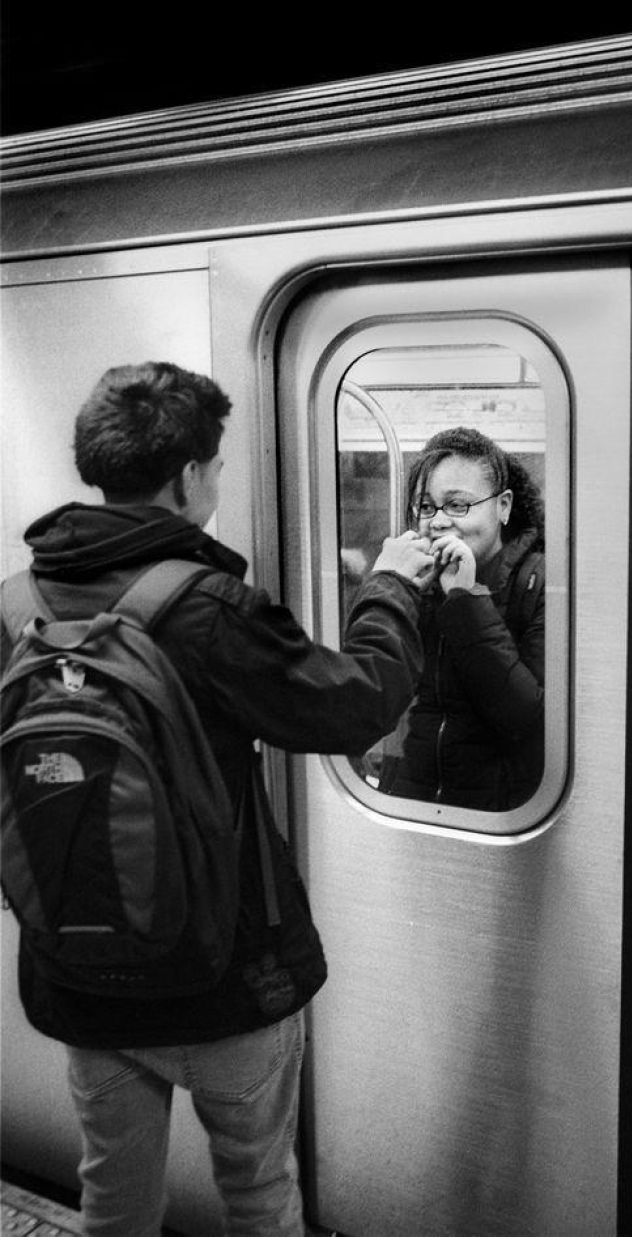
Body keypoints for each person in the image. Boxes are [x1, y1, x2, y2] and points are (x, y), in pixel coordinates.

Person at [0, 361, 434, 1237]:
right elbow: (358, 701)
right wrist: (390, 585)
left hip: (79, 974)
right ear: (190, 475)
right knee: (258, 1194)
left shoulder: (14, 608)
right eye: (219, 466)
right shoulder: (207, 608)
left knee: (113, 1198)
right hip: (224, 976)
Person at [377, 426, 545, 811]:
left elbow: (529, 723)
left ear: (503, 506)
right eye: (425, 507)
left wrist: (467, 601)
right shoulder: (421, 578)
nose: (436, 522)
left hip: (504, 812)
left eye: (457, 505)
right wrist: (390, 589)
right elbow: (373, 695)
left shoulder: (540, 584)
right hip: (414, 796)